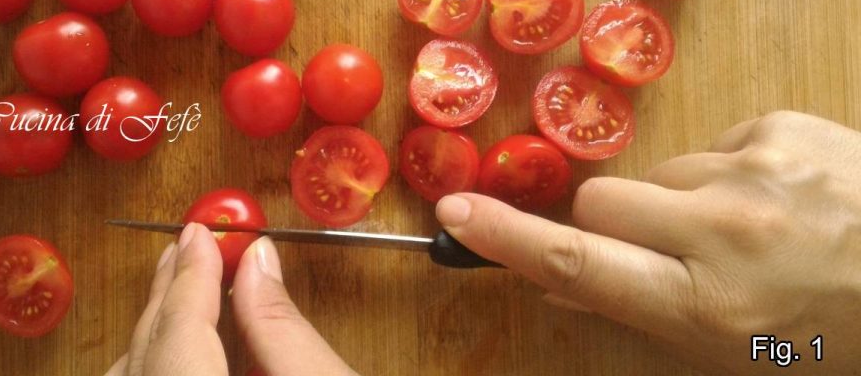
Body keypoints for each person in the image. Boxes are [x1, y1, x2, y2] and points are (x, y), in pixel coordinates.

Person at [106, 112, 861, 375]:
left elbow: (799, 352)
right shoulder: (810, 345)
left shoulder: (803, 347)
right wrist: (816, 349)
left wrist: (804, 350)